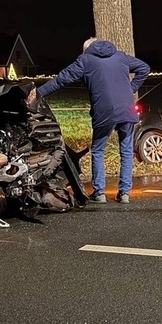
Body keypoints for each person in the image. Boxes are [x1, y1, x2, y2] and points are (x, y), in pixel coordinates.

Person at [29, 38, 150, 204]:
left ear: (86, 49)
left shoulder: (85, 60)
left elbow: (61, 79)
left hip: (104, 112)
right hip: (127, 110)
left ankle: (99, 192)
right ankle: (124, 194)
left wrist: (37, 93)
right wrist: (131, 89)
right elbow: (144, 68)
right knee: (127, 151)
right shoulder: (120, 56)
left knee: (99, 150)